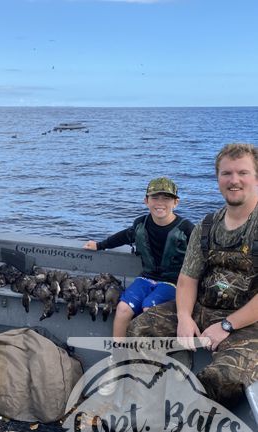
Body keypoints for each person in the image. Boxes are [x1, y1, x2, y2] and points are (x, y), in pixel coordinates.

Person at [127, 143, 258, 407]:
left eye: (243, 173)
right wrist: (185, 318)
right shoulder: (207, 226)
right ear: (218, 178)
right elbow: (188, 279)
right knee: (140, 328)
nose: (234, 180)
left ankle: (195, 428)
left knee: (221, 378)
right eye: (226, 173)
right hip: (203, 310)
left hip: (249, 324)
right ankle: (147, 406)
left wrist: (226, 326)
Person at [84, 177, 194, 341]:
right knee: (122, 308)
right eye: (155, 198)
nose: (160, 203)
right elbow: (123, 237)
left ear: (176, 202)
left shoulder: (186, 229)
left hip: (174, 283)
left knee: (149, 307)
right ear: (146, 201)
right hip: (146, 278)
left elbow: (202, 255)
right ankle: (118, 355)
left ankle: (149, 358)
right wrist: (100, 245)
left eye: (166, 198)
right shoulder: (140, 224)